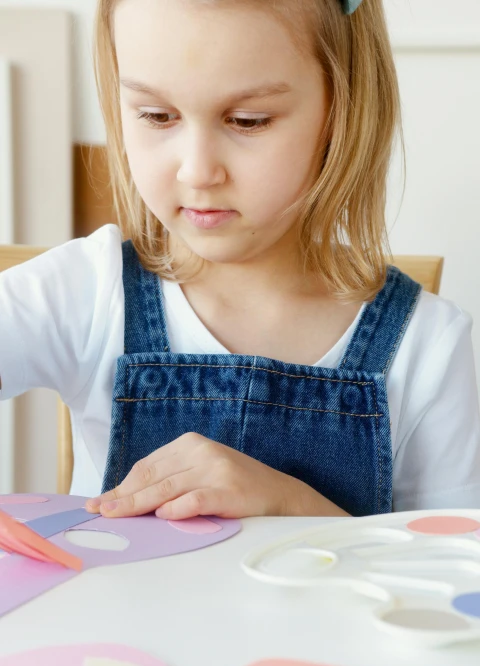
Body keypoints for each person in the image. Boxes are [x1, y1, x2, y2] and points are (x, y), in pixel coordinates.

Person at [1, 0, 479, 520]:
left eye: (248, 121)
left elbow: (446, 583)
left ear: (342, 110)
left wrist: (294, 506)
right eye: (157, 116)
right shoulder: (85, 290)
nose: (198, 172)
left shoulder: (428, 345)